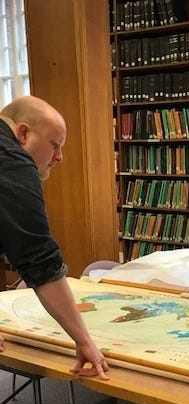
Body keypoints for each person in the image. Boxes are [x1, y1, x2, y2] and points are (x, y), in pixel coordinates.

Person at [0, 95, 109, 380]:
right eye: (55, 144)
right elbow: (40, 261)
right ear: (23, 133)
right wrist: (84, 341)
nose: (59, 157)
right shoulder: (12, 161)